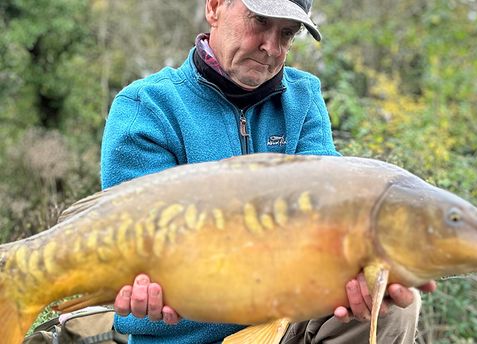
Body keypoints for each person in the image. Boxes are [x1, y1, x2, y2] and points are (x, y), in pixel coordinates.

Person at [100, 0, 436, 343]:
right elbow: (139, 248)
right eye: (259, 21)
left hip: (282, 323)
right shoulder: (147, 107)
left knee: (391, 302)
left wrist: (359, 274)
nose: (271, 48)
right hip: (185, 334)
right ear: (214, 7)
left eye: (286, 34)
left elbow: (328, 223)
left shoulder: (302, 98)